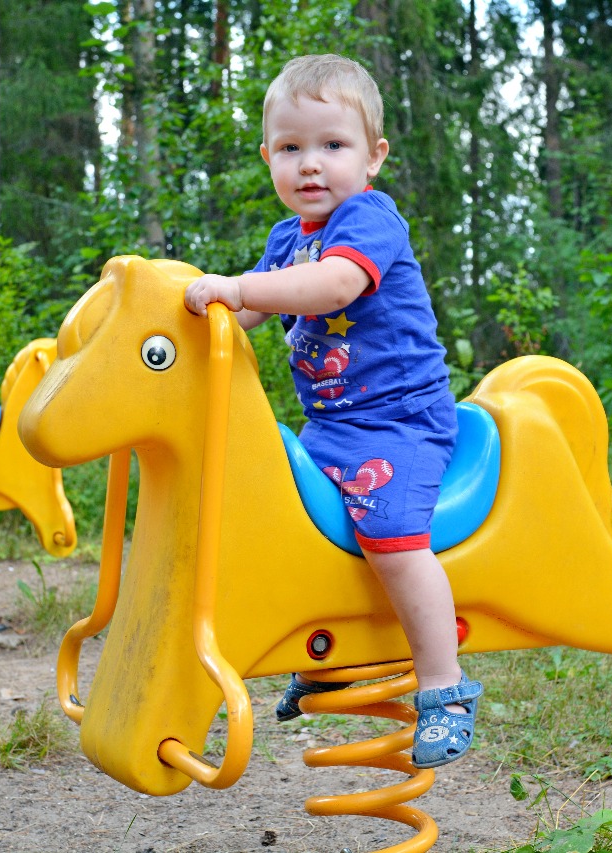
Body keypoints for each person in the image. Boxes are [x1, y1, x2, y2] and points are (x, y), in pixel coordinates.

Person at [183, 53, 482, 769]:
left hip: (402, 422)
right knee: (300, 526)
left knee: (392, 538)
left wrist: (237, 287)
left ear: (373, 156)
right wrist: (195, 312)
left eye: (333, 145)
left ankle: (445, 686)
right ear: (268, 159)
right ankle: (335, 655)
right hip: (332, 428)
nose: (310, 164)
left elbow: (334, 286)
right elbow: (248, 312)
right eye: (291, 148)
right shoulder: (286, 239)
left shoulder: (369, 220)